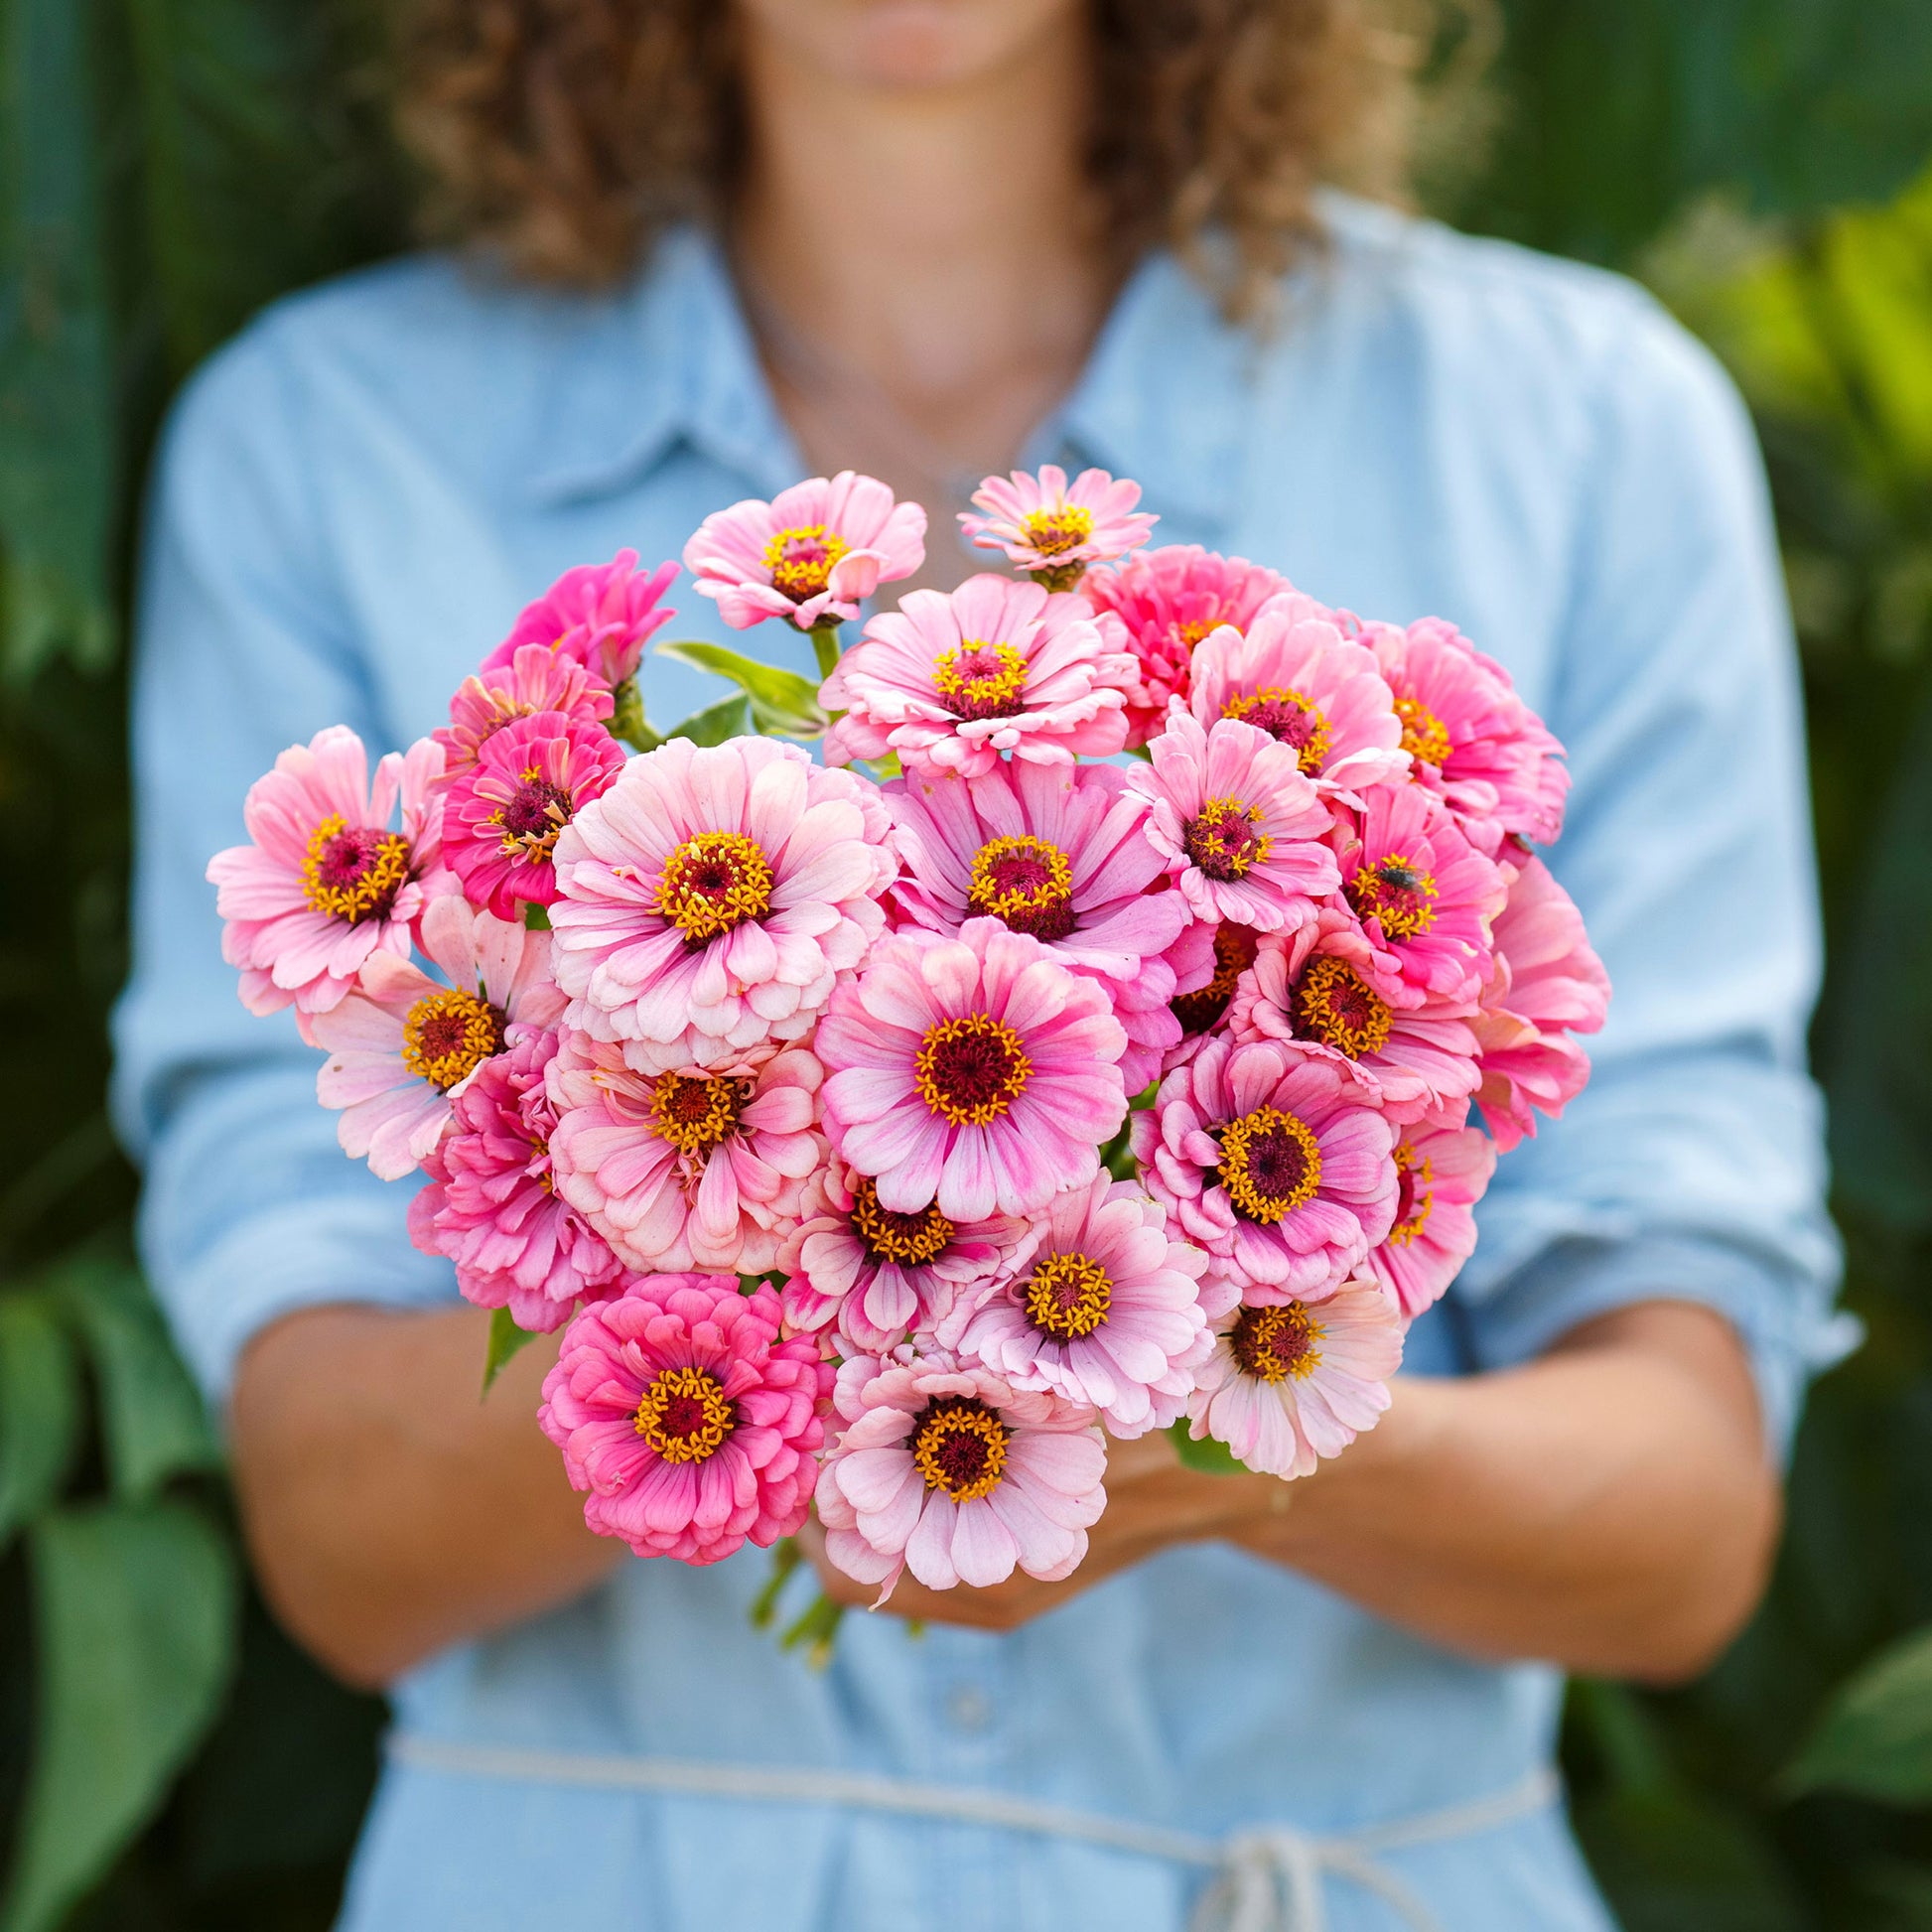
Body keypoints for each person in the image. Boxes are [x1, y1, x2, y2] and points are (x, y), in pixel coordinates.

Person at [111, 0, 1845, 1926]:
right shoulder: (323, 442)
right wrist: (790, 1277)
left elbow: (1686, 1521)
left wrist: (1235, 1437)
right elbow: (338, 1529)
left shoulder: (1584, 425)